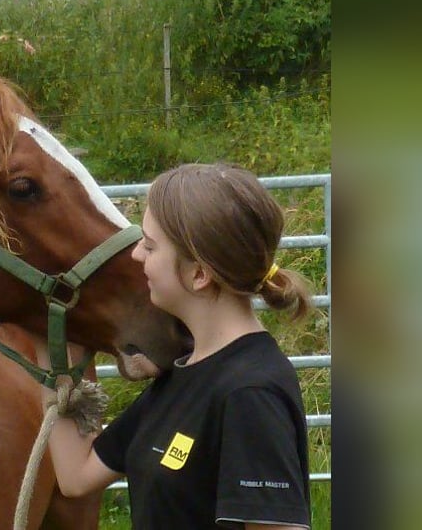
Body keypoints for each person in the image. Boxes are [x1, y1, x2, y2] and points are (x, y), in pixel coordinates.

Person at [37, 163, 313, 529]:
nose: (137, 256)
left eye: (149, 246)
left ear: (199, 274)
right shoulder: (184, 372)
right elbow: (76, 476)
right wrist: (49, 334)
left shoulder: (250, 393)